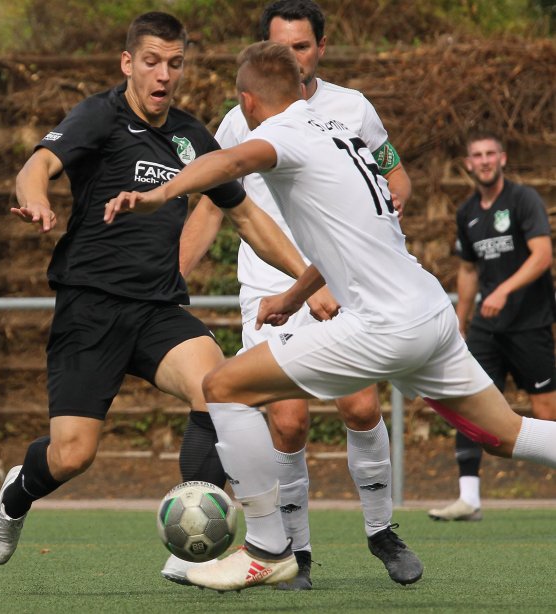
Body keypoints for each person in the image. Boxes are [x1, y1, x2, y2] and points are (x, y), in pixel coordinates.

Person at [104, 41, 556, 593]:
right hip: (428, 312)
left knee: (222, 386)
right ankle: (300, 542)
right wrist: (296, 295)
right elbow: (351, 236)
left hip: (383, 326)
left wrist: (159, 194)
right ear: (298, 87)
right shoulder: (340, 134)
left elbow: (232, 161)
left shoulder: (282, 134)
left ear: (247, 104)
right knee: (505, 433)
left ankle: (269, 548)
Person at [0, 12, 317, 568]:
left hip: (159, 308)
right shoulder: (100, 116)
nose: (164, 74)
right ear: (128, 63)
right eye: (152, 62)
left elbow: (249, 219)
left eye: (175, 63)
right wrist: (37, 197)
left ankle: (199, 549)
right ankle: (17, 497)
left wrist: (309, 282)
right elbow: (37, 164)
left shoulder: (192, 137)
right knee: (71, 455)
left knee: (220, 386)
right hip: (90, 307)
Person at [172, 0, 421, 590]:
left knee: (361, 407)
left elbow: (395, 172)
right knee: (287, 425)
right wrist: (168, 280)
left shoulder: (352, 108)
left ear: (322, 48)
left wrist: (388, 209)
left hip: (341, 281)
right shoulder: (241, 120)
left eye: (303, 47)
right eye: (283, 49)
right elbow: (213, 205)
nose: (295, 59)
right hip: (270, 288)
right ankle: (297, 555)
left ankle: (381, 531)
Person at [428, 131, 556, 521]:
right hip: (486, 327)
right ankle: (469, 499)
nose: (483, 161)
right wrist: (459, 324)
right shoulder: (467, 211)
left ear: (502, 159)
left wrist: (503, 289)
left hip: (529, 323)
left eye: (490, 154)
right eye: (476, 156)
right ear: (468, 164)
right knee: (469, 402)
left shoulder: (523, 200)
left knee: (546, 411)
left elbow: (542, 256)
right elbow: (467, 271)